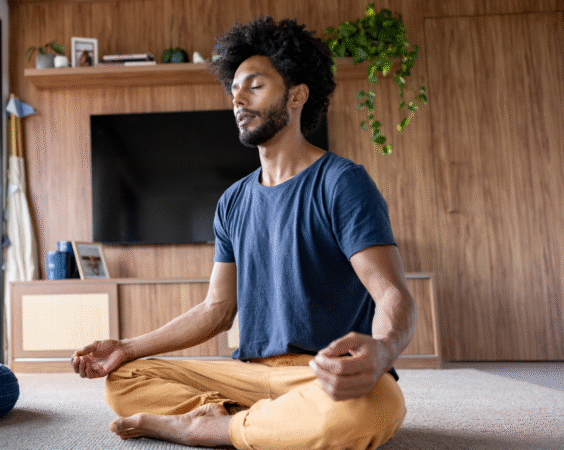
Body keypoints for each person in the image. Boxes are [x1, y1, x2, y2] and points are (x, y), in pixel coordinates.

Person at [71, 16, 416, 450]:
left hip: (322, 373)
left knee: (378, 403)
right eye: (234, 90)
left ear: (297, 95)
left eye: (254, 86)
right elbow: (217, 308)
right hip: (249, 374)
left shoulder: (342, 182)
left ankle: (205, 427)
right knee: (126, 379)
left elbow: (392, 294)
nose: (238, 100)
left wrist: (383, 350)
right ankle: (253, 420)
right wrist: (126, 346)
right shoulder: (233, 201)